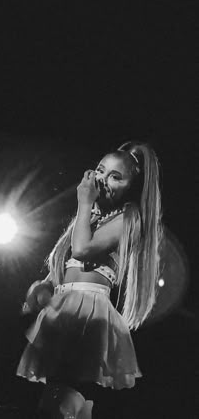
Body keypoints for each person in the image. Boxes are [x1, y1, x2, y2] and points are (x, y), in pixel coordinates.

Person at [17, 141, 163, 418]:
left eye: (115, 177)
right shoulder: (92, 218)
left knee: (57, 402)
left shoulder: (129, 218)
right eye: (100, 170)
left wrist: (84, 203)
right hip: (67, 309)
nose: (103, 180)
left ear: (131, 188)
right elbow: (65, 264)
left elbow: (83, 250)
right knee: (75, 404)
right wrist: (44, 288)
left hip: (87, 313)